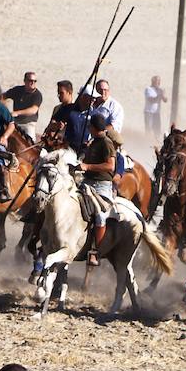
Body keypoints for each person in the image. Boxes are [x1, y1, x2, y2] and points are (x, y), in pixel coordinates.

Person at [80, 113, 119, 266]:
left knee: (100, 216)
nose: (89, 129)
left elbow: (111, 165)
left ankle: (97, 250)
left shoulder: (106, 143)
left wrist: (88, 166)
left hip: (102, 185)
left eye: (90, 127)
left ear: (95, 128)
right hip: (87, 181)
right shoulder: (93, 141)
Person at [3, 72, 42, 140]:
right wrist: (3, 108)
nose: (33, 83)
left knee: (30, 142)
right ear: (25, 81)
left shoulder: (37, 95)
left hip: (28, 124)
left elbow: (33, 110)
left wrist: (17, 113)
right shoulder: (17, 90)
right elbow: (3, 96)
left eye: (34, 81)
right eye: (30, 80)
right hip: (14, 123)